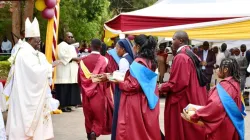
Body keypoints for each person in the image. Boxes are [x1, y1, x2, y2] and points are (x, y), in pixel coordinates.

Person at [6, 17, 54, 140]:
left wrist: (47, 68)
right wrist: (49, 68)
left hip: (29, 93)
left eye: (40, 41)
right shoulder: (24, 53)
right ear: (30, 39)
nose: (39, 43)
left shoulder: (32, 52)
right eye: (37, 41)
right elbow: (34, 72)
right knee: (23, 122)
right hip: (24, 95)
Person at [159, 31, 207, 140]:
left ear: (180, 40)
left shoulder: (181, 57)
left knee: (183, 128)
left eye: (173, 39)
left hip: (184, 98)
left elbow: (178, 83)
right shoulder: (191, 54)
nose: (171, 43)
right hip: (194, 94)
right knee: (191, 128)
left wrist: (162, 87)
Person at [112, 35, 161, 140]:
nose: (132, 48)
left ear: (138, 47)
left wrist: (118, 82)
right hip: (148, 99)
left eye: (133, 45)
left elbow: (133, 85)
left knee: (134, 132)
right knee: (146, 131)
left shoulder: (138, 62)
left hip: (137, 102)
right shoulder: (151, 61)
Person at [184, 58, 244, 140]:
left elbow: (215, 106)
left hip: (222, 127)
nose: (217, 69)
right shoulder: (235, 83)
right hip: (232, 124)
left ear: (226, 70)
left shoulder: (225, 87)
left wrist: (196, 115)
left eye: (220, 67)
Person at [78, 39, 113, 140]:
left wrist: (84, 87)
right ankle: (94, 132)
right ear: (100, 47)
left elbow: (79, 80)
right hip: (99, 92)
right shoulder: (105, 60)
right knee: (99, 116)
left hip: (85, 93)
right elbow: (109, 77)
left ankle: (89, 134)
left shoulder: (82, 61)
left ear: (90, 46)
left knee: (88, 116)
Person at [111, 39, 134, 140]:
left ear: (123, 49)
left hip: (121, 90)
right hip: (127, 89)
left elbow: (122, 77)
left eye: (117, 48)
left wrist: (111, 77)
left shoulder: (123, 60)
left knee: (119, 114)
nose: (116, 50)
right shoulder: (130, 58)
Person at [55, 32, 81, 112]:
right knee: (64, 89)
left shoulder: (71, 47)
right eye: (69, 37)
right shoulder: (60, 46)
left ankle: (68, 104)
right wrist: (74, 59)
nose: (70, 38)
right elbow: (62, 56)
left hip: (71, 70)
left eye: (71, 37)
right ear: (64, 37)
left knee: (69, 88)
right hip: (64, 70)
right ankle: (62, 105)